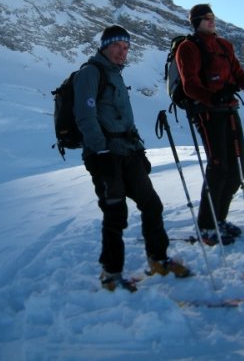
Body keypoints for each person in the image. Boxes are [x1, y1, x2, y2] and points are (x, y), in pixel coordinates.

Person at [74, 25, 191, 291]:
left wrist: (139, 150)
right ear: (105, 46)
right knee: (116, 215)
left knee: (152, 205)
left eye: (126, 48)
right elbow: (85, 116)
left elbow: (125, 118)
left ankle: (158, 259)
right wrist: (101, 152)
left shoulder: (116, 76)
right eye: (117, 46)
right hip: (105, 157)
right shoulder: (90, 74)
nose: (122, 52)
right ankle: (111, 273)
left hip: (128, 153)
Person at [175, 4, 244, 246]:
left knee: (238, 168)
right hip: (208, 113)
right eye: (206, 18)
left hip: (230, 111)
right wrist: (213, 97)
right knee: (218, 167)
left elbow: (239, 76)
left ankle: (218, 220)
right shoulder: (187, 48)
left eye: (212, 17)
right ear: (196, 21)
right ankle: (207, 227)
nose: (212, 21)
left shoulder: (224, 46)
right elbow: (189, 84)